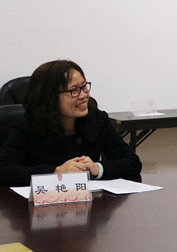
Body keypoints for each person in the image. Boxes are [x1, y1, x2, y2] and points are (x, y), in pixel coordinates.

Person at [0, 60, 142, 187]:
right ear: (50, 97)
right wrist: (55, 172)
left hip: (88, 203)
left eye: (84, 87)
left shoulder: (97, 119)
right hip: (38, 204)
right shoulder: (27, 125)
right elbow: (3, 170)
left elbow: (132, 162)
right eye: (74, 90)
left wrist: (97, 169)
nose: (84, 95)